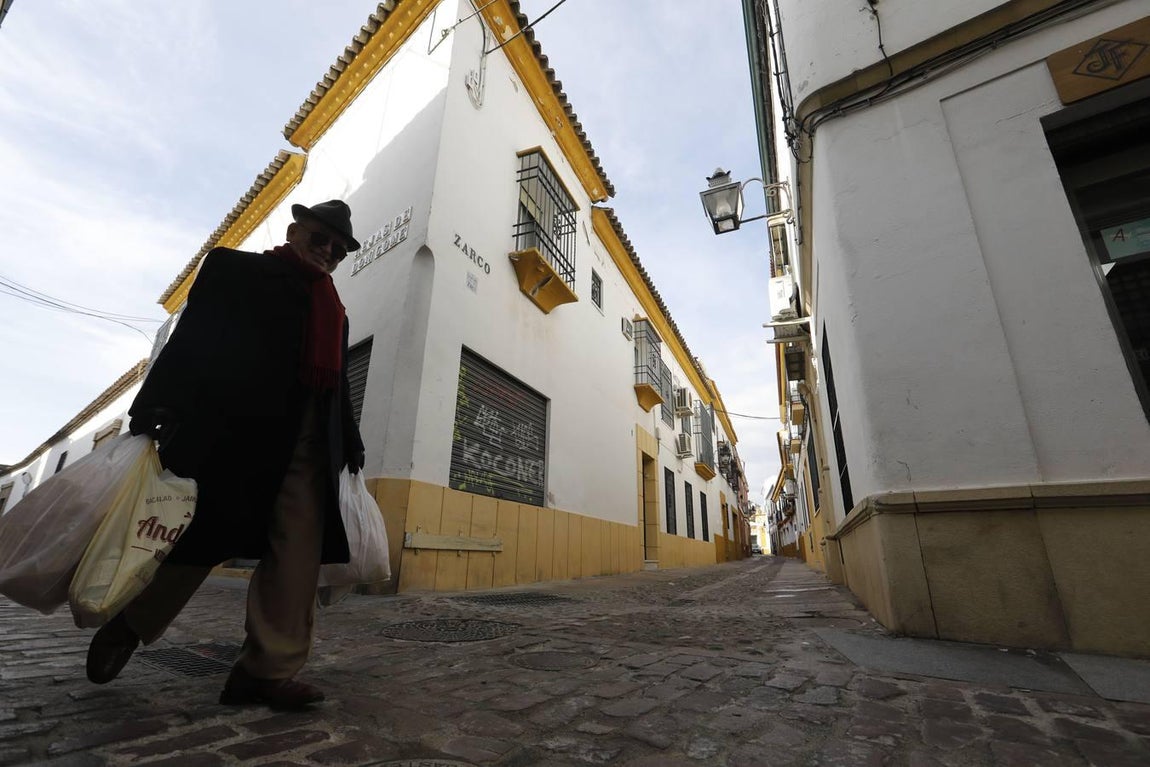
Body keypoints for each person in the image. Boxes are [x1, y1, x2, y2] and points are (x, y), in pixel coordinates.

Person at [85, 200, 366, 710]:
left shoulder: (336, 312)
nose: (328, 251)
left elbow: (337, 386)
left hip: (306, 450)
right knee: (196, 541)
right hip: (235, 435)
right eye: (320, 238)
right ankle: (130, 624)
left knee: (297, 558)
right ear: (294, 230)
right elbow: (192, 338)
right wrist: (158, 403)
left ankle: (265, 672)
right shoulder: (236, 269)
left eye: (339, 249)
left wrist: (350, 439)